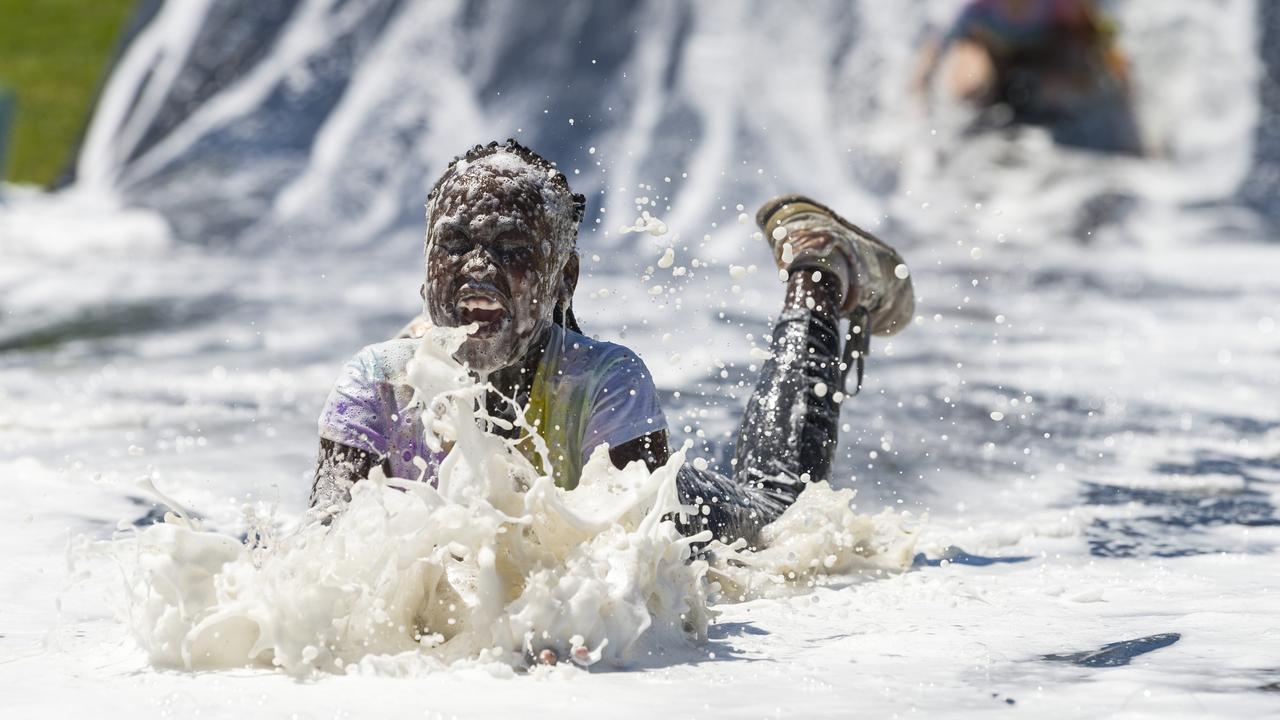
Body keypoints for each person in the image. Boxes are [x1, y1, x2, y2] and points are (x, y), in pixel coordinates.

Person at [309, 139, 914, 548]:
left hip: (700, 514)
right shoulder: (378, 383)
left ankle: (817, 271)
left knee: (780, 504)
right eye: (455, 244)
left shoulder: (606, 380)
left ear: (562, 279)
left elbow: (635, 566)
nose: (479, 266)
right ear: (426, 264)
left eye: (513, 249)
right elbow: (325, 546)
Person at [915, 0, 1142, 155]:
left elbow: (1100, 41)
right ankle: (977, 123)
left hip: (1041, 56)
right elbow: (939, 45)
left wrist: (1124, 91)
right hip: (994, 53)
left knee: (1073, 78)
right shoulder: (979, 7)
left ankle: (1042, 110)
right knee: (969, 83)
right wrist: (919, 89)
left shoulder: (1060, 5)